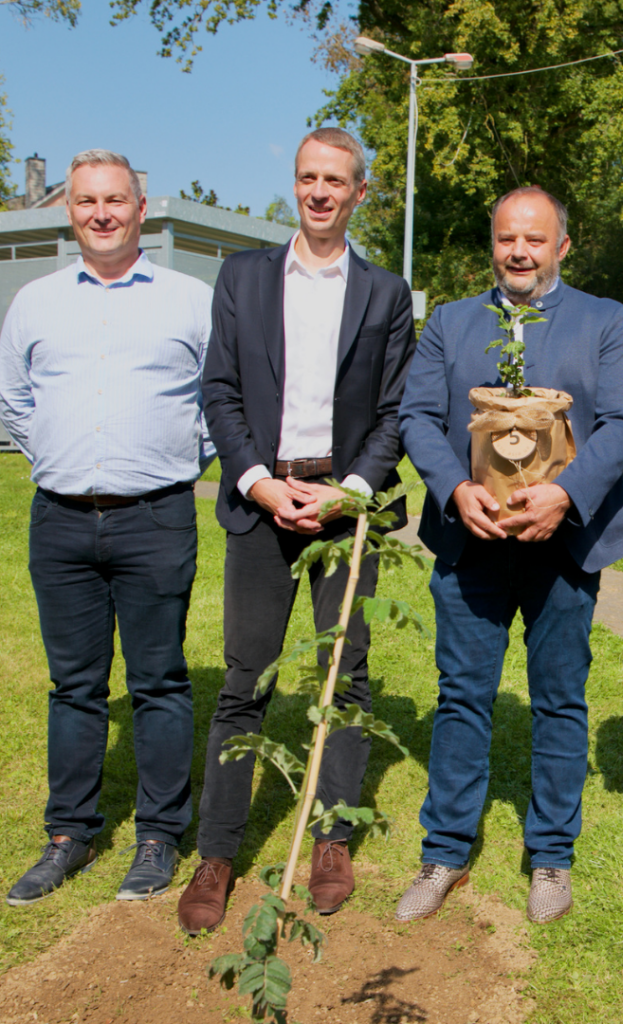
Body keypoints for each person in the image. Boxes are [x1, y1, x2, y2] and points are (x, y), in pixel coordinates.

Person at [176, 128, 416, 935]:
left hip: (344, 510)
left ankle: (334, 837)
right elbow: (220, 390)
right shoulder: (243, 277)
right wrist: (258, 481)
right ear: (296, 185)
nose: (319, 192)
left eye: (335, 181)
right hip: (260, 503)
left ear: (358, 193)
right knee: (245, 679)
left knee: (343, 675)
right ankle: (217, 851)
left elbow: (393, 415)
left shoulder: (385, 293)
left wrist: (348, 493)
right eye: (308, 178)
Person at [396, 186, 623, 923]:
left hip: (563, 544)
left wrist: (565, 495)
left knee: (560, 700)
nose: (519, 252)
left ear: (563, 246)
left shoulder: (607, 322)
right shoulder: (450, 322)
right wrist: (451, 488)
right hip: (469, 541)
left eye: (535, 240)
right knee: (462, 696)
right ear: (493, 243)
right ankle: (444, 851)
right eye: (508, 238)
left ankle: (551, 858)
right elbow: (415, 414)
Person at [0, 150, 215, 905]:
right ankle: (69, 835)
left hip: (155, 517)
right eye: (88, 200)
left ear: (141, 207)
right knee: (74, 686)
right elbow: (14, 400)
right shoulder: (35, 301)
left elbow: (218, 402)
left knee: (158, 681)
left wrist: (173, 459)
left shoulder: (189, 300)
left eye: (115, 200)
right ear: (69, 209)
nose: (101, 213)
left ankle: (158, 836)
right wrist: (65, 457)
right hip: (58, 520)